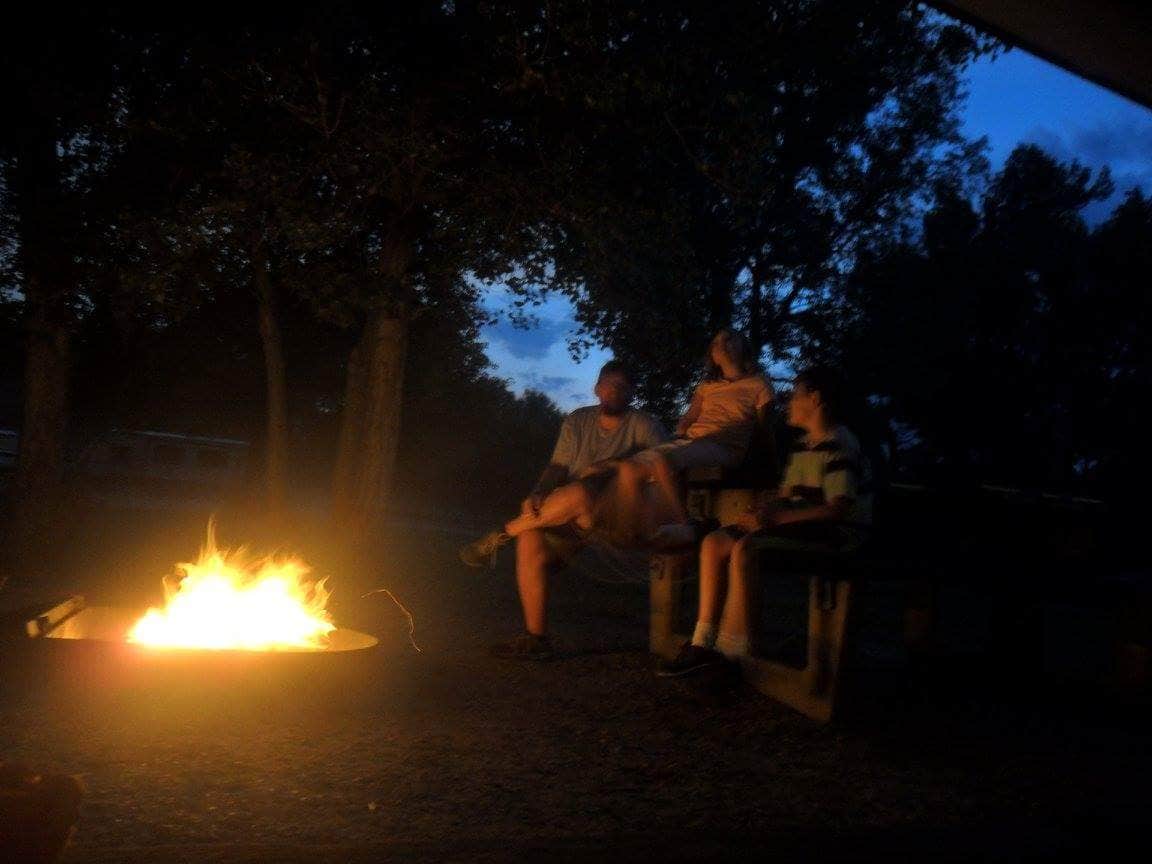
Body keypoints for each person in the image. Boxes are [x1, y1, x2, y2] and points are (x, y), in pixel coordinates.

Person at [656, 365, 872, 677]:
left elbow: (837, 509)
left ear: (816, 399)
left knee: (746, 548)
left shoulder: (839, 442)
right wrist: (760, 512)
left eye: (796, 395)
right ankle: (702, 642)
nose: (789, 402)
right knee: (715, 542)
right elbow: (786, 496)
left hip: (836, 534)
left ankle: (732, 653)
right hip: (803, 526)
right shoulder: (802, 446)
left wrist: (778, 518)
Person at [458, 360, 667, 659]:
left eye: (622, 387)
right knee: (531, 537)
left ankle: (501, 534)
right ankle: (536, 639)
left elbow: (663, 465)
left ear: (632, 392)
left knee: (581, 492)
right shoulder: (578, 421)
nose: (614, 392)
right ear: (597, 388)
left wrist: (612, 466)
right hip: (571, 514)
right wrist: (538, 492)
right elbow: (558, 466)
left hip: (616, 514)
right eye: (609, 385)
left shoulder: (645, 426)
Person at [624, 328, 774, 545]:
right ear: (713, 356)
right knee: (630, 467)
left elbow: (764, 428)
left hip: (724, 446)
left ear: (744, 348)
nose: (722, 344)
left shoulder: (759, 384)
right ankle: (637, 529)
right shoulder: (707, 386)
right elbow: (689, 418)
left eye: (729, 339)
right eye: (716, 342)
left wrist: (766, 464)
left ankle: (684, 524)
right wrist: (681, 431)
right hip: (693, 441)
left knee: (661, 461)